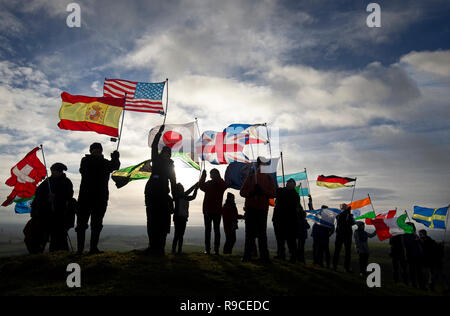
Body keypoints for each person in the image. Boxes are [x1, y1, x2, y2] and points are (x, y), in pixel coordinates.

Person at [76, 143, 120, 255]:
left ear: (101, 151)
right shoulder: (86, 161)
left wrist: (115, 159)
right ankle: (80, 250)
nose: (96, 151)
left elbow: (115, 167)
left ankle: (93, 248)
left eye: (98, 149)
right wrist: (112, 160)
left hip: (99, 198)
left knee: (96, 225)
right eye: (94, 150)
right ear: (91, 151)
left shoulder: (104, 163)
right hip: (86, 198)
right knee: (82, 225)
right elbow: (88, 168)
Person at [145, 125, 177, 255]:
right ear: (161, 153)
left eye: (168, 154)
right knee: (152, 221)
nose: (166, 155)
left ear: (169, 155)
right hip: (152, 194)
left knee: (163, 222)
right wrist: (159, 133)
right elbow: (153, 146)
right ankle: (152, 246)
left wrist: (175, 196)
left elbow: (173, 182)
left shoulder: (171, 166)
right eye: (164, 153)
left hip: (164, 195)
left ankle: (161, 247)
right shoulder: (156, 160)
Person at [29, 163, 74, 253]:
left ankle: (60, 253)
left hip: (61, 214)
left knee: (59, 236)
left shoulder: (66, 182)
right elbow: (38, 194)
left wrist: (56, 197)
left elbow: (69, 195)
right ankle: (38, 254)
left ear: (60, 171)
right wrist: (47, 198)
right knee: (43, 236)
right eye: (52, 170)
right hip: (46, 214)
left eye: (55, 171)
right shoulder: (47, 182)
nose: (53, 172)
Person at [240, 157, 276, 262]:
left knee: (262, 234)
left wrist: (262, 191)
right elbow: (242, 192)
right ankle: (247, 256)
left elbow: (274, 193)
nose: (263, 166)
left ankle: (264, 256)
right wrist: (252, 192)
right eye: (262, 164)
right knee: (249, 233)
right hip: (251, 208)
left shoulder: (269, 178)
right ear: (258, 165)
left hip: (262, 209)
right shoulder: (251, 177)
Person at [199, 168, 228, 255]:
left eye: (213, 174)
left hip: (213, 210)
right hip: (211, 210)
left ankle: (214, 249)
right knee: (212, 230)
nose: (212, 176)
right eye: (212, 174)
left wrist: (204, 177)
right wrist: (203, 176)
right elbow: (201, 186)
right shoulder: (210, 183)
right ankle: (210, 249)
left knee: (213, 230)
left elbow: (201, 186)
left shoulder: (220, 183)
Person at [272, 178, 299, 262]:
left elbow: (293, 207)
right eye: (287, 182)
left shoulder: (295, 195)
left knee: (291, 240)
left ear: (294, 185)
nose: (288, 184)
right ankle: (281, 254)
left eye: (290, 183)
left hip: (289, 220)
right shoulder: (280, 191)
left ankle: (293, 256)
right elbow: (274, 192)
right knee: (280, 239)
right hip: (278, 218)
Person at [172, 182, 199, 254]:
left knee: (180, 235)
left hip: (183, 218)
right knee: (178, 235)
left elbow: (193, 197)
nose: (183, 189)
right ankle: (175, 250)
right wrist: (194, 186)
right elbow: (189, 194)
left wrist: (196, 188)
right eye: (181, 188)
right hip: (178, 218)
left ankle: (177, 250)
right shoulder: (177, 196)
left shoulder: (182, 196)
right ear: (178, 190)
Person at [333, 203, 355, 272]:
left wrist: (349, 215)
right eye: (344, 207)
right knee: (338, 251)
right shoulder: (339, 215)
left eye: (345, 207)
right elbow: (340, 219)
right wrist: (348, 212)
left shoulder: (348, 215)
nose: (345, 208)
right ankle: (335, 266)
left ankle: (346, 267)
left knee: (347, 252)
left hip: (346, 235)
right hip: (341, 235)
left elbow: (352, 223)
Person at [403, 222, 426, 290]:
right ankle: (414, 285)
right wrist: (415, 241)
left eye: (412, 226)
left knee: (419, 272)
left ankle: (421, 285)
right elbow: (407, 245)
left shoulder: (415, 234)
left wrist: (419, 241)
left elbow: (420, 245)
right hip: (411, 256)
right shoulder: (406, 235)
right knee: (412, 271)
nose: (412, 228)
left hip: (418, 256)